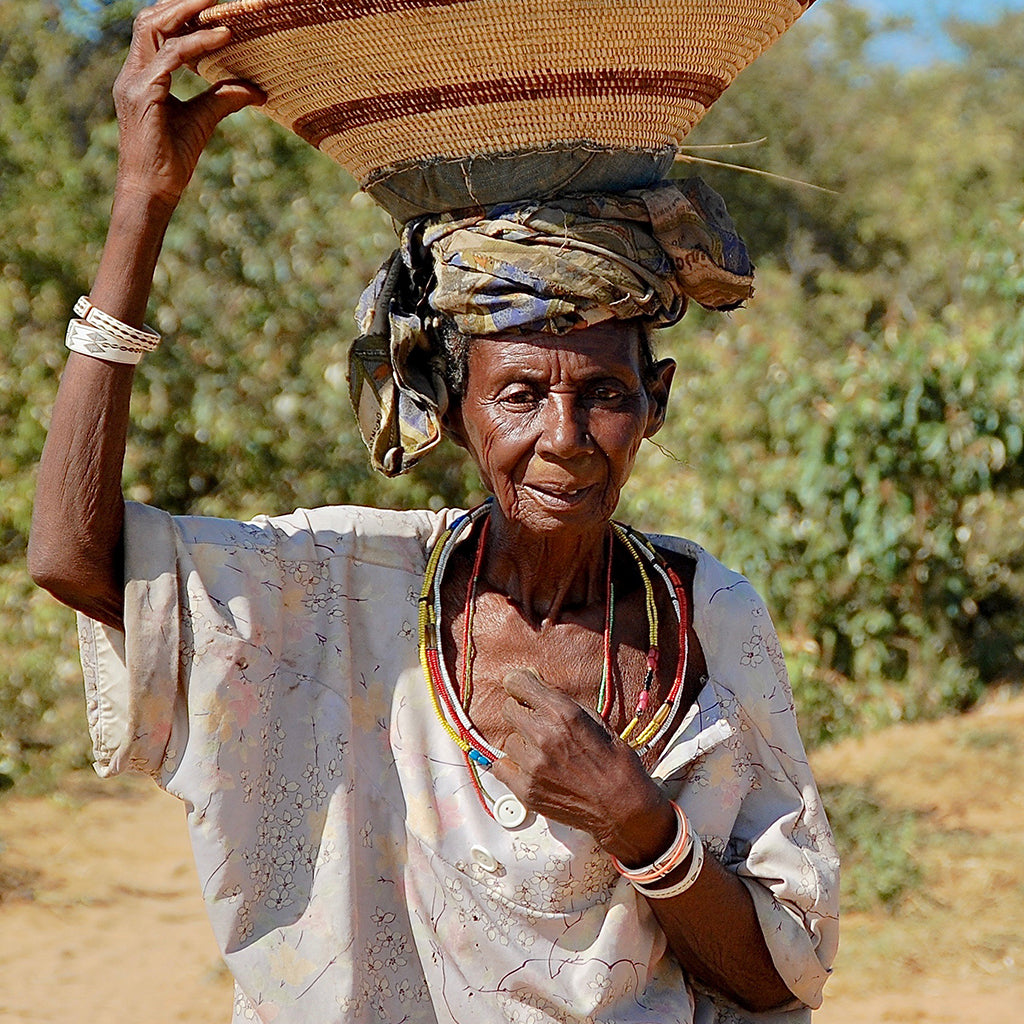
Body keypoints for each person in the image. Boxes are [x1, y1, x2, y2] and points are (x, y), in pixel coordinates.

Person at [29, 2, 839, 1022]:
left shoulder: (708, 616)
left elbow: (779, 974)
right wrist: (141, 203)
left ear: (656, 403)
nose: (564, 437)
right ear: (444, 409)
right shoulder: (342, 588)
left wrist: (645, 829)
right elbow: (72, 557)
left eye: (604, 393)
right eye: (517, 394)